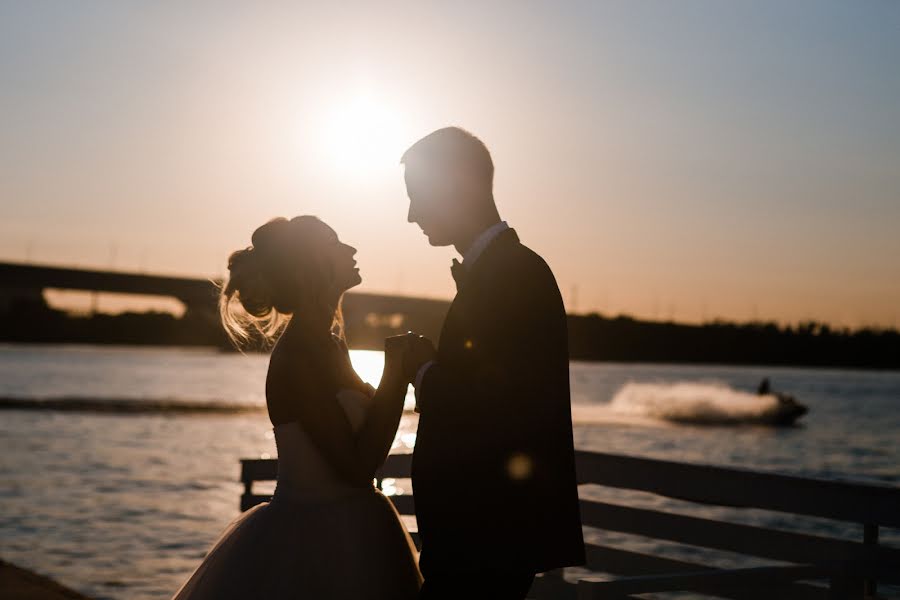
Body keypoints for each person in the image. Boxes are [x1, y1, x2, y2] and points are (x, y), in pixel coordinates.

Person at [171, 216, 422, 599]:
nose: (351, 250)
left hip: (352, 530)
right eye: (335, 245)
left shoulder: (328, 344)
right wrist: (394, 376)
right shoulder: (301, 353)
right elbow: (356, 467)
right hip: (315, 543)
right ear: (312, 266)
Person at [399, 127, 585, 599]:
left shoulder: (512, 275)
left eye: (418, 197)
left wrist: (422, 369)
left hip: (485, 537)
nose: (411, 214)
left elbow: (491, 401)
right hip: (479, 538)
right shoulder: (505, 271)